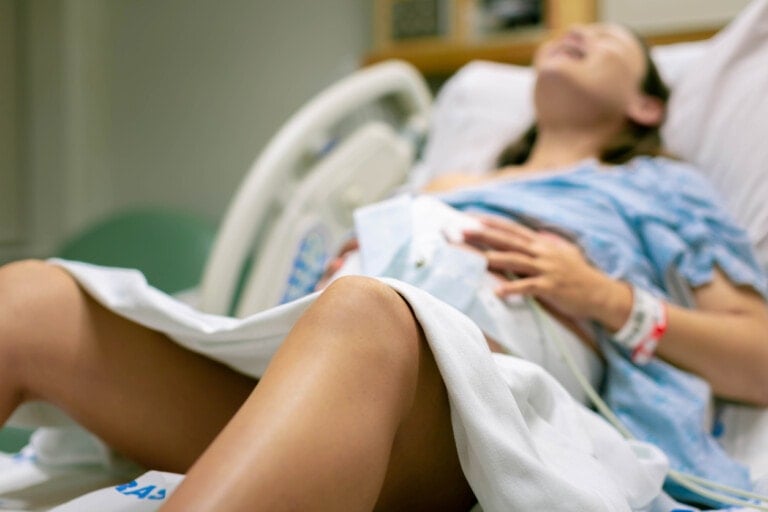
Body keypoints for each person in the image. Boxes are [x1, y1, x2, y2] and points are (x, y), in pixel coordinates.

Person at [1, 23, 767, 511]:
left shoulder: (654, 189)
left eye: (607, 41)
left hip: (472, 417)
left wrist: (605, 296)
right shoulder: (441, 185)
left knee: (365, 312)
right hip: (304, 367)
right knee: (30, 299)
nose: (578, 35)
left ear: (646, 108)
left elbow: (758, 358)